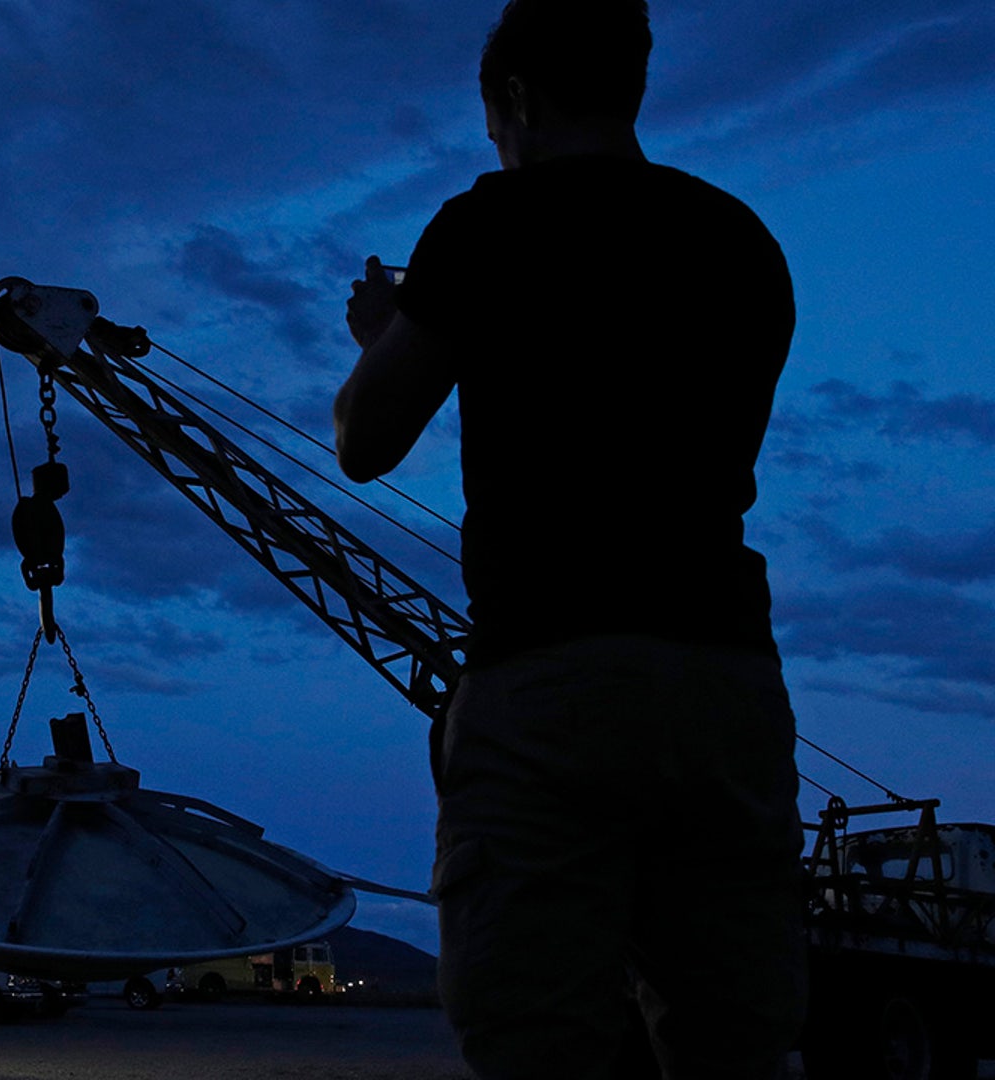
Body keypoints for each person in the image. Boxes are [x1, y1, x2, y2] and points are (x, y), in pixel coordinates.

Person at [332, 1, 803, 1077]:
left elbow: (367, 439)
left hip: (550, 677)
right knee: (735, 1033)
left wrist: (385, 337)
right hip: (726, 680)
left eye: (493, 121)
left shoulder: (488, 224)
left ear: (516, 100)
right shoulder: (741, 242)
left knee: (534, 1026)